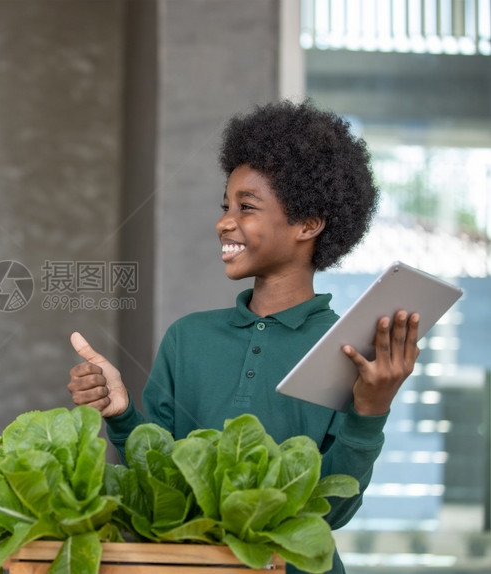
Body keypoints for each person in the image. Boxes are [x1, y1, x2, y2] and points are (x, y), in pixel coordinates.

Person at [67, 99, 420, 574]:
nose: (224, 222)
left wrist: (371, 409)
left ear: (309, 224)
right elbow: (159, 485)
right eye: (225, 206)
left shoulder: (350, 350)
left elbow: (332, 512)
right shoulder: (187, 339)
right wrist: (122, 414)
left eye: (247, 208)